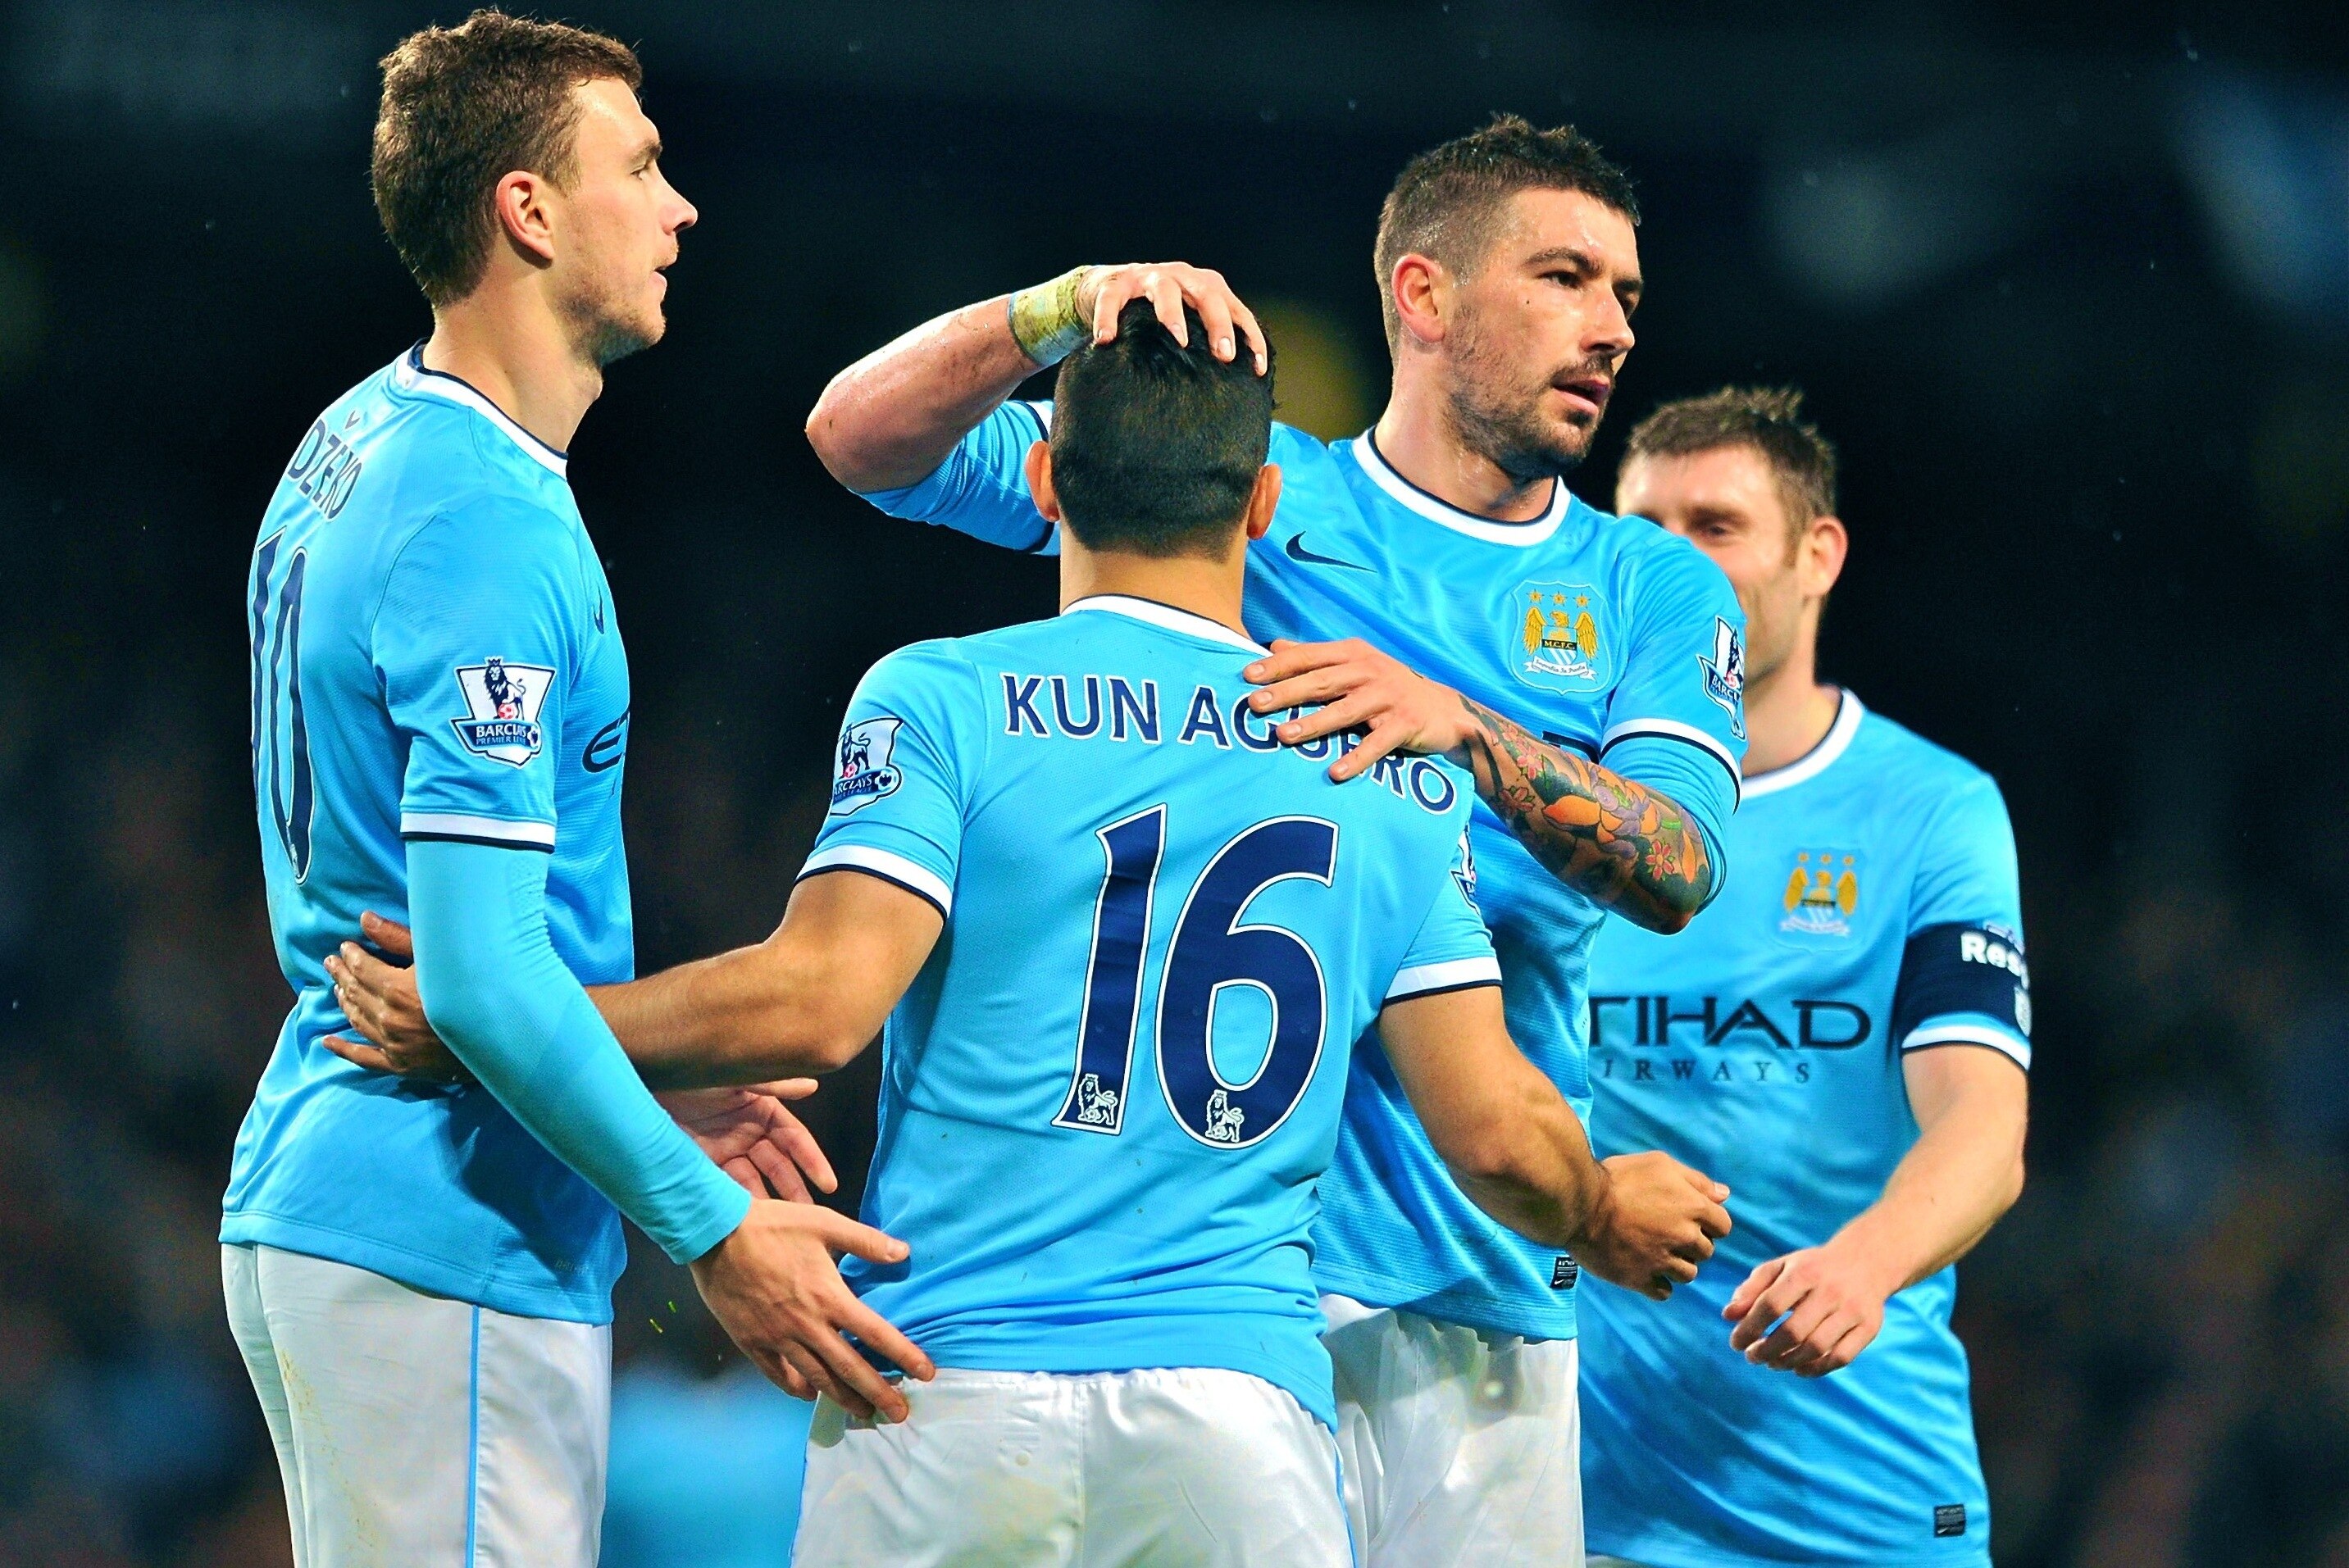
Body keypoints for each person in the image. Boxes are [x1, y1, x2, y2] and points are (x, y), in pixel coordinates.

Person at [325, 300, 1733, 1566]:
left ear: (1047, 483)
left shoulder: (943, 697)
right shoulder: (1388, 774)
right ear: (1259, 504)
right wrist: (1599, 1210)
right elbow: (1492, 1133)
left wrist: (493, 1018)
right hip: (1232, 1422)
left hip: (943, 1393)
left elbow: (814, 1004)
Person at [803, 114, 1746, 1562]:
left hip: (1471, 1280)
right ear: (1423, 294)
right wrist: (1054, 309)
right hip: (1212, 1282)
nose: (1612, 326)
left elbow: (1680, 867)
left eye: (1624, 291)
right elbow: (860, 440)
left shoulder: (1649, 586)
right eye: (1564, 277)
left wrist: (1469, 732)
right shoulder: (1241, 491)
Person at [223, 15, 855, 1563]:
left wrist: (621, 1075)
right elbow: (482, 979)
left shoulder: (359, 435)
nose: (679, 207)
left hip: (356, 1196)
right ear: (528, 209)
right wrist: (715, 1229)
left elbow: (461, 963)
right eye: (638, 167)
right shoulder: (480, 520)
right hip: (443, 1226)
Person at [1579, 389, 2031, 1568]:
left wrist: (1862, 1265)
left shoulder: (1930, 810)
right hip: (1582, 1506)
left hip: (1857, 1498)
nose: (1673, 564)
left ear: (1816, 556)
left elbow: (1983, 1124)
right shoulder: (1556, 806)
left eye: (1716, 527)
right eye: (1644, 530)